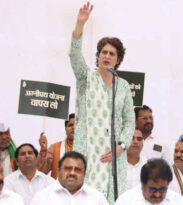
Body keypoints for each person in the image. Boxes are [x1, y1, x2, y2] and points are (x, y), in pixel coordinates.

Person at [69, 2, 135, 203]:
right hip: (88, 153)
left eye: (111, 53)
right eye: (103, 52)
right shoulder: (86, 77)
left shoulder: (122, 86)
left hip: (114, 157)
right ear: (98, 56)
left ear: (118, 59)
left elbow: (129, 121)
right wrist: (80, 25)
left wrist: (121, 147)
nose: (106, 56)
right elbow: (74, 56)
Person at [30, 151, 109, 205]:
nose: (72, 173)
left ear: (84, 174)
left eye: (77, 170)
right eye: (67, 168)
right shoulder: (42, 198)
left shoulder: (97, 198)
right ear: (58, 171)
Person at [116, 158, 183, 205]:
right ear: (142, 184)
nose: (157, 195)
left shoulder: (179, 202)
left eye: (162, 190)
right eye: (152, 190)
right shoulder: (125, 201)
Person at [37, 113, 75, 178]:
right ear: (65, 129)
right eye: (70, 125)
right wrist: (43, 149)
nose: (74, 127)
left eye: (77, 125)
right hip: (58, 187)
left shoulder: (89, 149)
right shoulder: (55, 148)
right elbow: (41, 172)